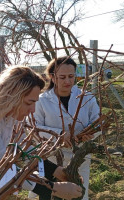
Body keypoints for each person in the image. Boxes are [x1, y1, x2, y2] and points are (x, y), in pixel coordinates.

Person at [0, 66, 83, 200]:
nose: (32, 110)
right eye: (29, 103)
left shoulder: (12, 111)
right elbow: (1, 167)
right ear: (12, 97)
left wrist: (56, 171)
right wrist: (51, 188)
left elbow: (23, 150)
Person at [33, 56, 100, 200]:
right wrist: (59, 135)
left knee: (78, 194)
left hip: (79, 157)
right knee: (50, 194)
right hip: (51, 158)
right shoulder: (41, 101)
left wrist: (91, 133)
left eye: (71, 76)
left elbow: (98, 122)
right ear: (52, 77)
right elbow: (33, 128)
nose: (68, 81)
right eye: (62, 77)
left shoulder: (86, 97)